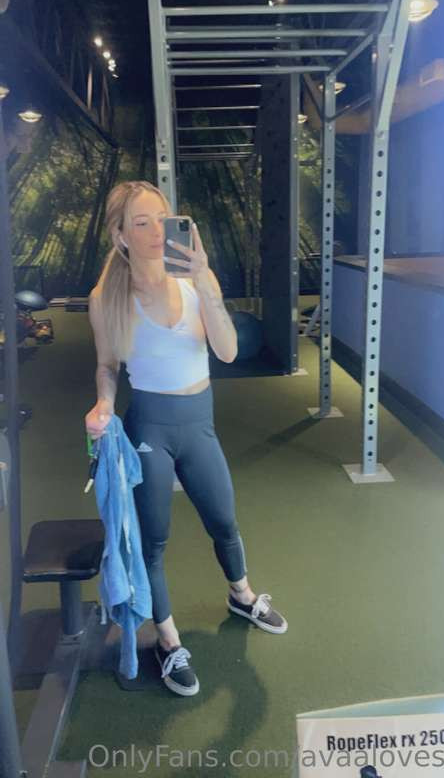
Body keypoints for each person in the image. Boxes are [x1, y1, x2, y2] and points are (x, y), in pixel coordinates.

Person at [85, 180, 287, 697]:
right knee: (152, 540)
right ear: (120, 235)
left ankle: (241, 595)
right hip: (149, 427)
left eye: (162, 218)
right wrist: (104, 405)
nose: (156, 231)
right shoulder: (106, 298)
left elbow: (228, 351)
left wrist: (206, 283)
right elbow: (107, 367)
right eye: (141, 223)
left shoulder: (197, 281)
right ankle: (169, 640)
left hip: (200, 424)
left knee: (224, 520)